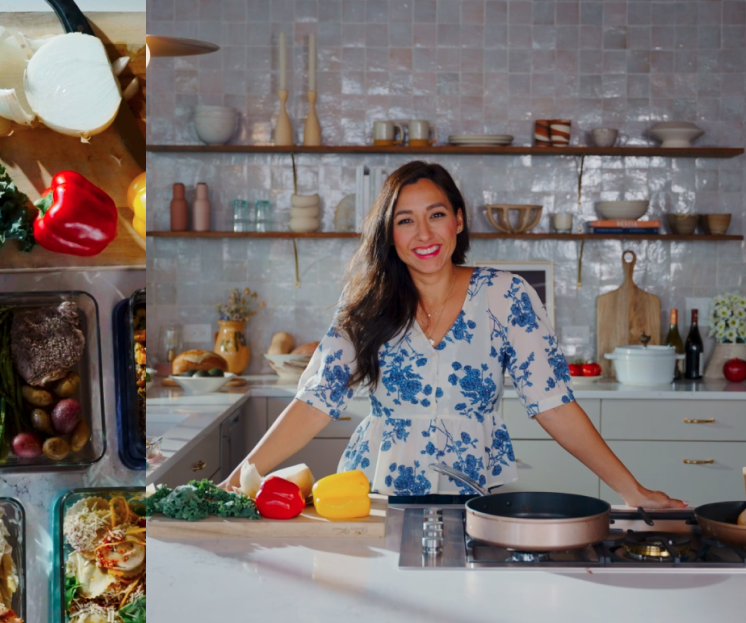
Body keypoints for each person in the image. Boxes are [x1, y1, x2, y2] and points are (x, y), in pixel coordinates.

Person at [221, 161, 685, 509]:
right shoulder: (365, 303)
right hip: (375, 495)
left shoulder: (507, 296)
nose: (423, 233)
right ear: (390, 233)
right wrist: (239, 479)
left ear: (458, 220)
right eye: (405, 220)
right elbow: (314, 400)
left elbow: (553, 402)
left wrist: (634, 492)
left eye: (436, 214)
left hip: (476, 497)